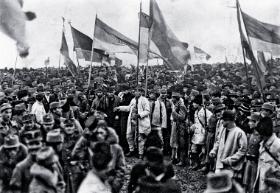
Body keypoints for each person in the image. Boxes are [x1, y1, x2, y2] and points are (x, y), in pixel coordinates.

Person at [209, 110, 247, 183]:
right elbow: (218, 141)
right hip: (219, 164)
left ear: (229, 121)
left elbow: (242, 150)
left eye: (223, 120)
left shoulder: (239, 133)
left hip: (231, 168)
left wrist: (230, 160)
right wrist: (214, 150)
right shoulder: (222, 129)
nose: (221, 122)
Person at [115, 88, 151, 159]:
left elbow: (147, 111)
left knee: (140, 138)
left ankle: (141, 153)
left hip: (141, 121)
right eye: (135, 91)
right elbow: (129, 108)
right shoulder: (133, 100)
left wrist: (139, 115)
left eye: (137, 91)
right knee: (129, 136)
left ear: (141, 92)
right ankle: (132, 150)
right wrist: (119, 108)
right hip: (132, 121)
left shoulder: (144, 100)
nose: (135, 93)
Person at [253, 116, 280, 192]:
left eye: (258, 135)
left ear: (263, 134)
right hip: (262, 186)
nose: (257, 137)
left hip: (273, 188)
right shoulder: (262, 145)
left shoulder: (277, 144)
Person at [243, 112, 261, 193]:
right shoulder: (251, 134)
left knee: (253, 183)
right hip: (248, 161)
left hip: (256, 163)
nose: (249, 123)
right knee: (246, 181)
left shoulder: (261, 136)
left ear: (257, 122)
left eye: (251, 121)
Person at [170, 92, 187, 166]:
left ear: (176, 98)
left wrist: (174, 113)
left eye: (173, 98)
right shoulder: (176, 105)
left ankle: (182, 161)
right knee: (176, 143)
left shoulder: (181, 106)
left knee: (181, 144)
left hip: (181, 126)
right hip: (177, 125)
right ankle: (177, 159)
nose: (172, 99)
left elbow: (182, 117)